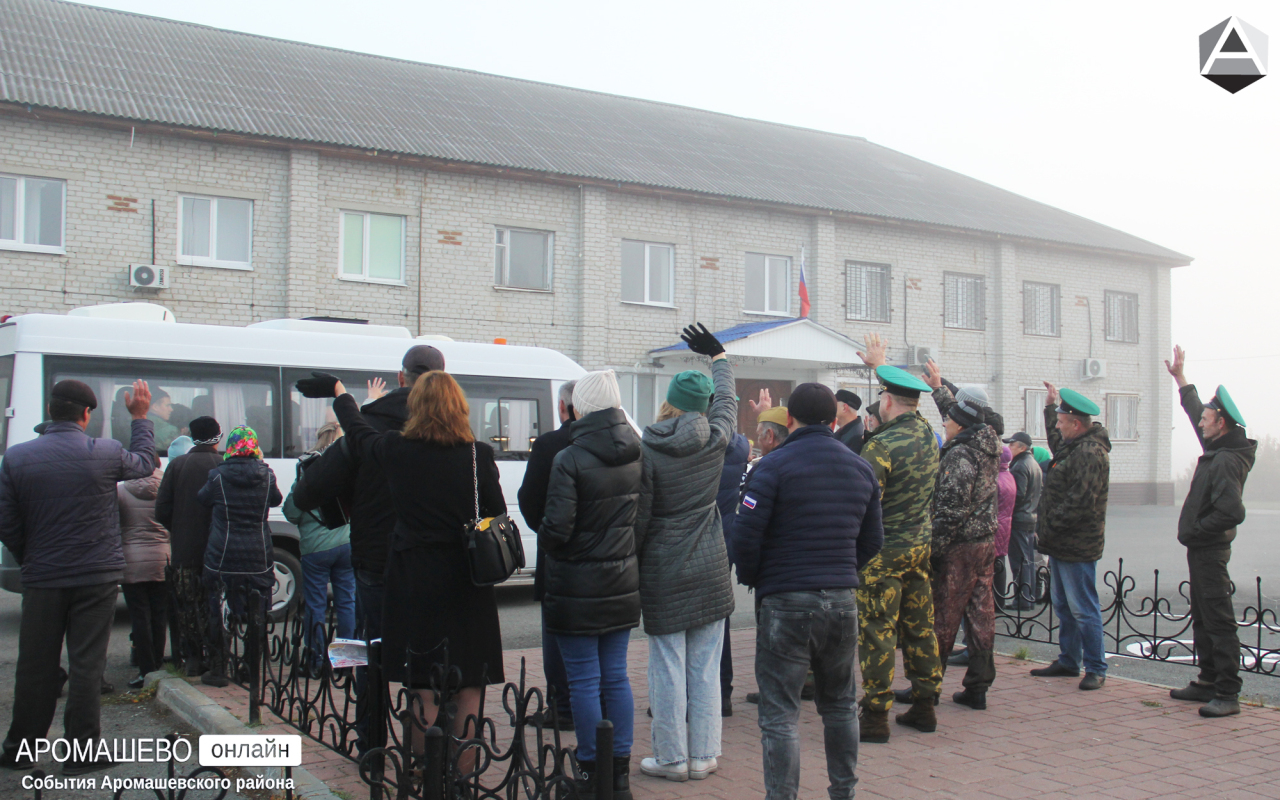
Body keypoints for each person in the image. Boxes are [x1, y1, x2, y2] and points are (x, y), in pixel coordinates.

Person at [322, 370, 506, 755]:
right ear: (460, 407)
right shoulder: (478, 454)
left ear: (415, 407)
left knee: (421, 680)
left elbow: (358, 432)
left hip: (413, 577)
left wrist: (342, 395)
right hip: (466, 581)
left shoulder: (396, 450)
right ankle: (464, 780)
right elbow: (496, 512)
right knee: (469, 679)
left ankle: (422, 774)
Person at [733, 382, 883, 800]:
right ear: (834, 421)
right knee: (839, 703)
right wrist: (841, 571)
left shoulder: (773, 467)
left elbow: (745, 534)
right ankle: (844, 791)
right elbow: (873, 540)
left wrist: (757, 577)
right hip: (841, 601)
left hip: (786, 600)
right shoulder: (859, 468)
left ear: (790, 420)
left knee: (780, 711)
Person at [292, 345, 444, 753]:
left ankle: (371, 744)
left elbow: (309, 492)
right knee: (431, 654)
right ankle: (432, 750)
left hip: (376, 560)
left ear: (401, 378)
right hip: (434, 564)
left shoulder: (368, 426)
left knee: (368, 649)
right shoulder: (453, 428)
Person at [0, 378, 155, 774]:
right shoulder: (104, 452)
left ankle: (20, 751)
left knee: (34, 666)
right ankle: (81, 754)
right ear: (87, 415)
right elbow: (145, 462)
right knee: (87, 665)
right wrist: (139, 417)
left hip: (42, 576)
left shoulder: (16, 458)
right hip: (96, 575)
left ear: (50, 411)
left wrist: (31, 558)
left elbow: (8, 522)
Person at [634, 324, 737, 783]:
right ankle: (704, 754)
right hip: (711, 566)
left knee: (668, 666)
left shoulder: (647, 447)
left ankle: (671, 758)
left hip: (662, 568)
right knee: (705, 665)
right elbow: (728, 403)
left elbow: (640, 517)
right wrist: (719, 358)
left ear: (668, 400)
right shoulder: (717, 438)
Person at [539, 369, 643, 798]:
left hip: (575, 586)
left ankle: (587, 772)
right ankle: (617, 773)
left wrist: (546, 536)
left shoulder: (570, 457)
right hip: (621, 579)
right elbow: (645, 518)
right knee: (615, 676)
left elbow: (557, 530)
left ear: (578, 406)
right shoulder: (639, 451)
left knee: (582, 680)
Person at [852, 335, 943, 743]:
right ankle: (925, 705)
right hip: (918, 549)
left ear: (886, 402)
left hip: (883, 554)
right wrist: (880, 368)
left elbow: (864, 504)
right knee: (920, 626)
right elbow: (902, 395)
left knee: (877, 630)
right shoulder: (928, 434)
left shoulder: (882, 445)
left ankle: (875, 715)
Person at [1165, 346, 1255, 718]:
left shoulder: (1227, 461)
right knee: (1202, 615)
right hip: (1202, 548)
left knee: (1218, 619)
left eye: (1207, 419)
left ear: (1222, 423)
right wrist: (1182, 380)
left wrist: (1199, 530)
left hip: (1210, 549)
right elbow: (1193, 411)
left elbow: (1233, 512)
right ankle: (1207, 680)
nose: (1201, 423)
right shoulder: (1219, 448)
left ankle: (1228, 692)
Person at [923, 365, 1000, 710]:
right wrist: (940, 389)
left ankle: (927, 689)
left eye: (948, 419)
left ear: (960, 424)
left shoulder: (959, 455)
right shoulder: (988, 442)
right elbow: (961, 414)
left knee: (944, 616)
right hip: (985, 543)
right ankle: (978, 688)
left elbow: (949, 513)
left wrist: (933, 551)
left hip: (960, 548)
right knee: (981, 613)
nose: (944, 423)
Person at [1029, 384, 1111, 690]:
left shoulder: (1090, 453)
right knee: (1063, 604)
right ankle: (1068, 660)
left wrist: (1046, 529)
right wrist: (1051, 408)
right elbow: (1057, 442)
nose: (1058, 428)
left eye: (1062, 422)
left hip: (1077, 545)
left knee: (1082, 607)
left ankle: (1096, 666)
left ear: (1076, 425)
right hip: (1063, 543)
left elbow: (1079, 502)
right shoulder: (1075, 446)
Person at [198, 426, 283, 688]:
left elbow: (202, 500)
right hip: (258, 555)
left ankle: (219, 669)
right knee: (257, 612)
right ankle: (251, 667)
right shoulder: (266, 475)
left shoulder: (217, 476)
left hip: (222, 555)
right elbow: (276, 500)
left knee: (219, 610)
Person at [517, 379, 578, 730]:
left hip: (558, 555)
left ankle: (563, 707)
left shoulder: (550, 444)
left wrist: (548, 531)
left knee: (556, 632)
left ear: (562, 407)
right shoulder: (624, 442)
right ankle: (594, 706)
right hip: (607, 560)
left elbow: (529, 500)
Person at [283, 422, 356, 673]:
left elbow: (291, 513)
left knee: (316, 604)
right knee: (347, 602)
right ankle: (347, 662)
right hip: (346, 545)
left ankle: (316, 660)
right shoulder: (348, 469)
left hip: (315, 549)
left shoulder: (307, 472)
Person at [155, 416, 223, 676]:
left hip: (185, 550)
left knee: (188, 606)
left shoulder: (177, 465)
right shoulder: (223, 464)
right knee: (215, 604)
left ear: (192, 437)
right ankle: (218, 657)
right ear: (218, 436)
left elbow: (161, 509)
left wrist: (180, 529)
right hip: (218, 551)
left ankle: (193, 658)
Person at [118, 464, 170, 689]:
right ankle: (158, 664)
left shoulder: (120, 490)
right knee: (160, 615)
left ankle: (145, 668)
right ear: (158, 464)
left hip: (132, 560)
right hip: (162, 558)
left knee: (139, 617)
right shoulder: (167, 486)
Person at [716, 430, 750, 716]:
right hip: (724, 541)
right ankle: (722, 691)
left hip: (691, 543)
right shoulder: (739, 446)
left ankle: (685, 693)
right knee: (719, 617)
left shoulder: (697, 445)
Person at [1003, 432, 1043, 611]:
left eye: (1012, 445)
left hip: (1020, 518)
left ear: (1022, 447)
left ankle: (1023, 599)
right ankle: (1029, 595)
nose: (1009, 448)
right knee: (1027, 559)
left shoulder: (1020, 466)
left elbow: (1017, 495)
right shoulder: (1033, 463)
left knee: (1020, 560)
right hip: (1030, 516)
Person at [994, 446, 1016, 609]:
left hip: (996, 524)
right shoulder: (1009, 476)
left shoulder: (996, 479)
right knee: (1000, 560)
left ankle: (996, 601)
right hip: (1005, 522)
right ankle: (1000, 600)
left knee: (995, 563)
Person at [148, 388, 179, 453]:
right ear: (155, 407)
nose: (171, 409)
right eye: (167, 405)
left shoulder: (132, 425)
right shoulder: (171, 430)